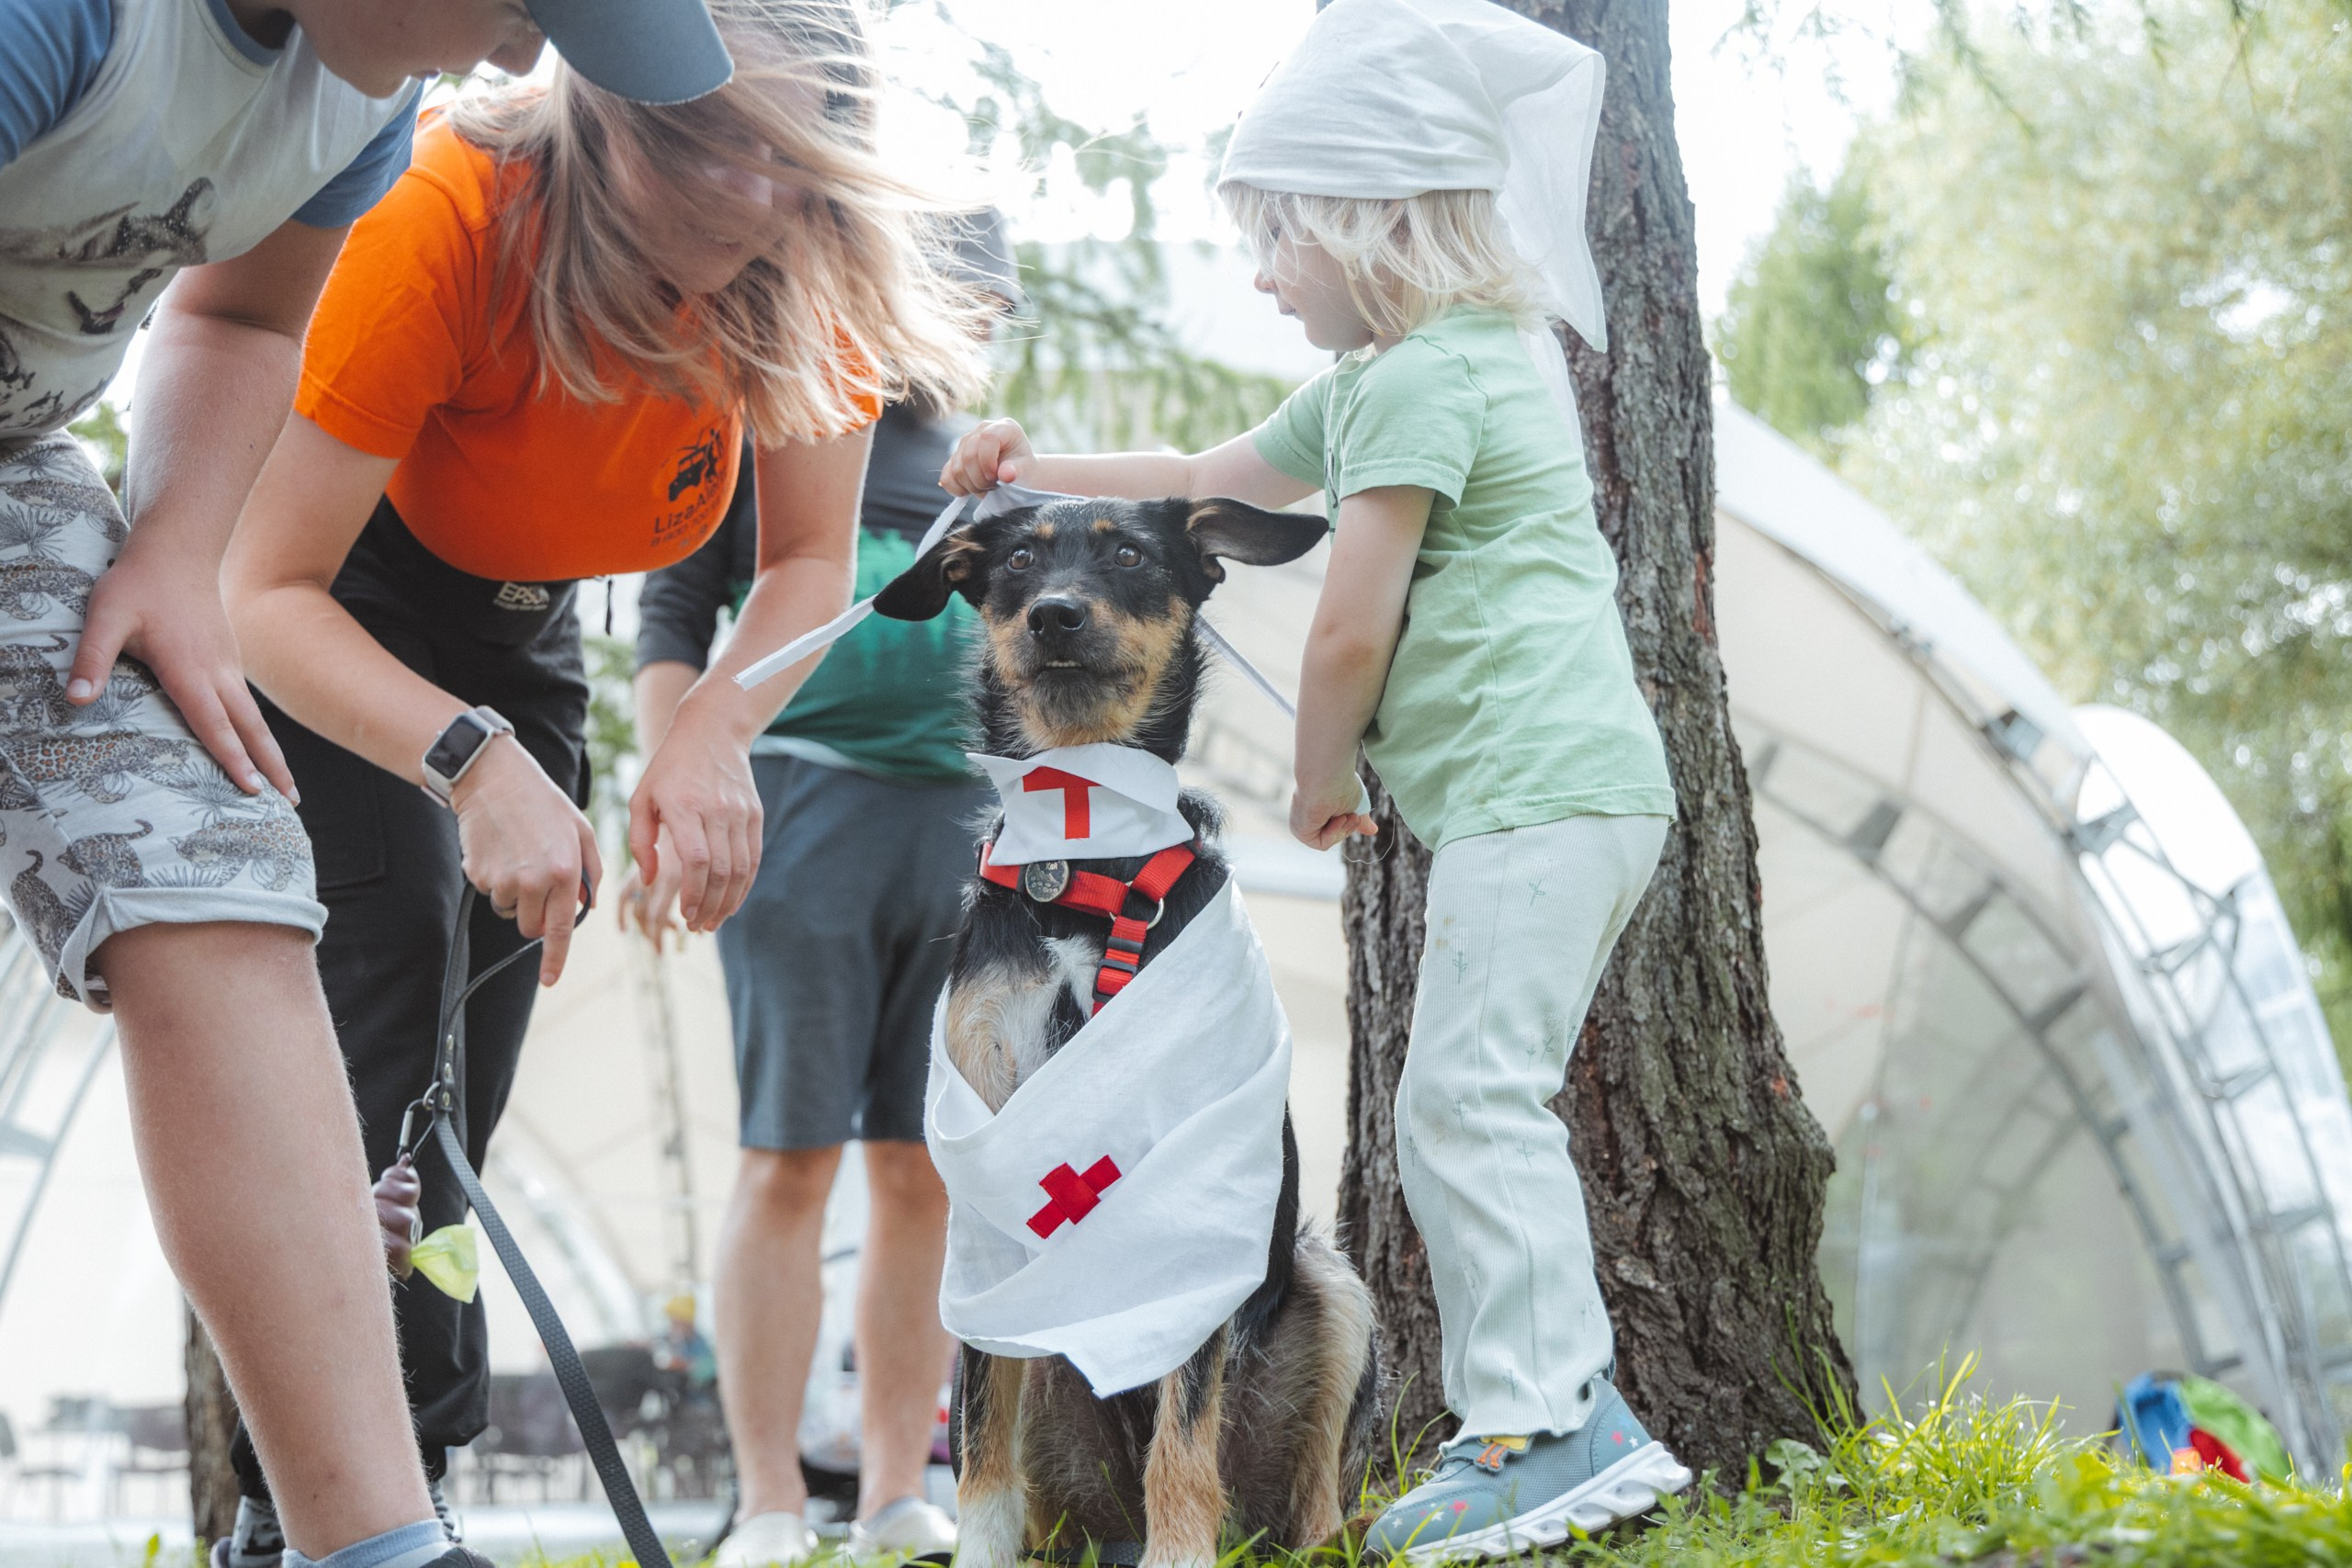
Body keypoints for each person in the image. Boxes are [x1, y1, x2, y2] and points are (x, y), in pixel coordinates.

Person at [217, 4, 988, 1562]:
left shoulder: (813, 259)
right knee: (382, 998)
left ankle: (367, 1496)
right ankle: (335, 1518)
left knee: (463, 1073)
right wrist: (468, 758)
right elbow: (259, 591)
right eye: (696, 148)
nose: (740, 199)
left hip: (532, 625)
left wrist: (706, 728)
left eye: (779, 161)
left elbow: (808, 562)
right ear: (602, 113)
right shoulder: (441, 217)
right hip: (342, 607)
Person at [937, 0, 1694, 1556]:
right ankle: (1546, 1413)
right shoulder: (1382, 383)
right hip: (1535, 794)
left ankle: (1558, 1421)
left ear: (1376, 226)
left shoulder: (1431, 377)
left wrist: (1314, 776)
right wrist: (1028, 480)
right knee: (1460, 1100)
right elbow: (1203, 485)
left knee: (1469, 1100)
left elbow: (1349, 621)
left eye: (1280, 241)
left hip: (1544, 789)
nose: (1264, 274)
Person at [0, 5, 717, 1568]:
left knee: (221, 848)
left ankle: (373, 1543)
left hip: (20, 459)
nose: (525, 65)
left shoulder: (356, 102)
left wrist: (178, 550)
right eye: (525, 6)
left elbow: (243, 323)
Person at [620, 214, 1021, 1567]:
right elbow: (674, 619)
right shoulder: (771, 425)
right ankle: (772, 1501)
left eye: (992, 306)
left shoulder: (988, 466)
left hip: (960, 831)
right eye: (959, 295)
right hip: (795, 811)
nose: (973, 326)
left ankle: (899, 1491)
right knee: (787, 1158)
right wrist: (669, 800)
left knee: (922, 1172)